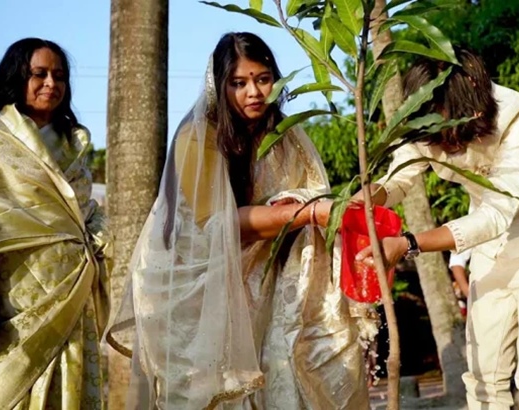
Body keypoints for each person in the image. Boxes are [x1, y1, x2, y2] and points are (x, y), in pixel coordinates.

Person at [105, 32, 370, 409]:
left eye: (263, 79)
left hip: (279, 283)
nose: (254, 93)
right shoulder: (198, 137)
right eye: (239, 83)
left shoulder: (287, 135)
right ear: (220, 85)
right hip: (206, 288)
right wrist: (308, 211)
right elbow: (216, 224)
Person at [356, 47, 519, 409]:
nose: (440, 140)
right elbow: (398, 179)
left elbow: (496, 213)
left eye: (445, 124)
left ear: (472, 102)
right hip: (492, 249)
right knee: (484, 375)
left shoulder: (517, 117)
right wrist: (364, 200)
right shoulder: (428, 118)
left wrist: (408, 244)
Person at [0, 38, 111, 408]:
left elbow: (88, 214)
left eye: (59, 76)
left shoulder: (73, 144)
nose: (51, 84)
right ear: (17, 77)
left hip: (72, 297)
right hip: (13, 304)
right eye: (39, 74)